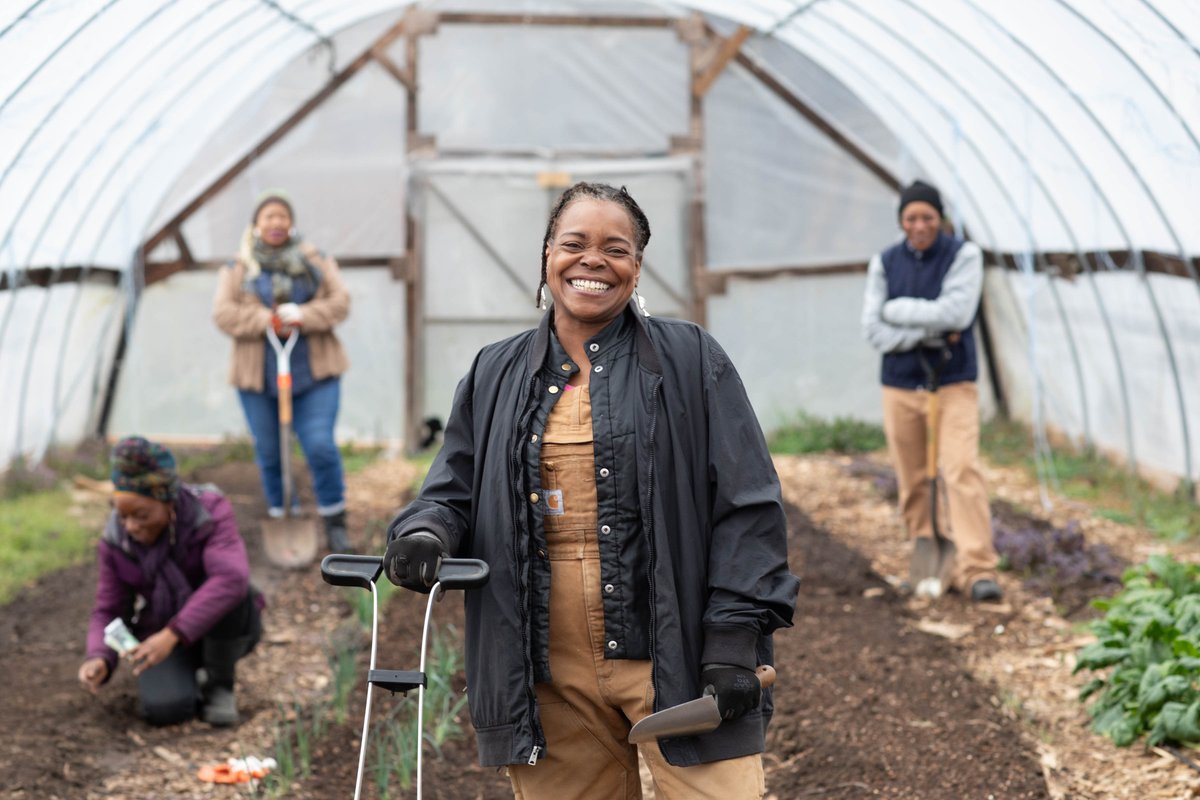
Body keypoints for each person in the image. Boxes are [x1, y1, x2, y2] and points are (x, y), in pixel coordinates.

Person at [382, 182, 799, 799]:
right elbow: (453, 490)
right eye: (574, 243)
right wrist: (424, 532)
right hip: (547, 673)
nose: (593, 260)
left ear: (637, 266)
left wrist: (733, 642)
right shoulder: (495, 370)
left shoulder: (689, 360)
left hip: (675, 658)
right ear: (547, 253)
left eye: (616, 248)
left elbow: (747, 506)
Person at [860, 179, 1003, 603]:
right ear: (901, 221)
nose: (919, 225)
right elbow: (873, 329)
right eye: (911, 217)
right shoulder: (884, 262)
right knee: (913, 477)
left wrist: (896, 312)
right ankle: (929, 560)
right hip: (901, 385)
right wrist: (929, 331)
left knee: (960, 470)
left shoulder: (964, 255)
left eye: (927, 216)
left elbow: (957, 313)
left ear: (940, 218)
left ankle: (976, 568)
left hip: (953, 383)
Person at [78, 436, 263, 726]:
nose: (131, 526)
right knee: (167, 710)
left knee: (232, 593)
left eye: (141, 515)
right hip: (160, 627)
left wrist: (173, 634)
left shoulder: (208, 512)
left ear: (169, 502)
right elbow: (109, 609)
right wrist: (99, 656)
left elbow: (231, 578)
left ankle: (219, 683)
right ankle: (190, 677)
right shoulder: (116, 541)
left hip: (216, 626)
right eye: (122, 515)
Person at [212, 188, 353, 553]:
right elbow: (223, 314)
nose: (276, 222)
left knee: (320, 445)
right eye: (268, 217)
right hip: (257, 378)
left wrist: (305, 315)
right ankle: (281, 513)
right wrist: (263, 319)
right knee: (270, 451)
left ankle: (334, 519)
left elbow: (340, 302)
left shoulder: (316, 261)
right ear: (256, 226)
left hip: (314, 373)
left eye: (282, 216)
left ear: (291, 223)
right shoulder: (238, 268)